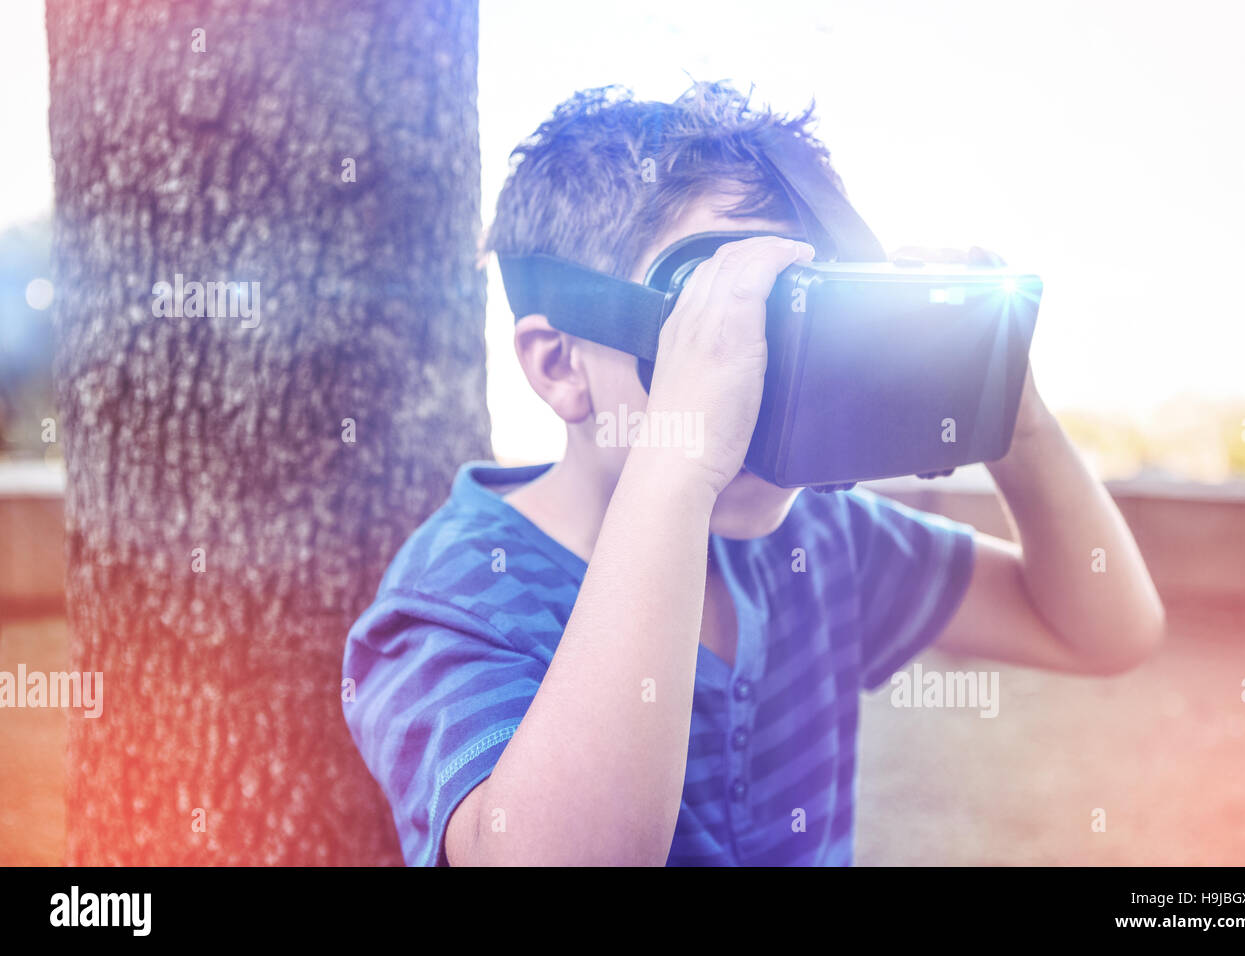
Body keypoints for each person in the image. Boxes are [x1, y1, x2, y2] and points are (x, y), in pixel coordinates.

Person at [342, 82, 1166, 866]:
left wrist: (1009, 412)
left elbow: (1102, 631)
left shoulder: (818, 539)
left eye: (801, 320)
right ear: (561, 363)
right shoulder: (456, 602)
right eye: (722, 325)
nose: (768, 382)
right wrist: (680, 464)